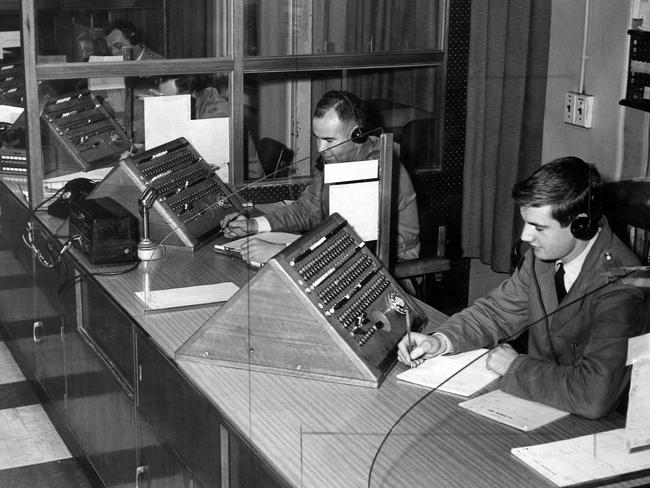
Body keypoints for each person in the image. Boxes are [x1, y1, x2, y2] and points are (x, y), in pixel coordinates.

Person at [397, 157, 645, 419]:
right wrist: (440, 341)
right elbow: (495, 314)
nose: (526, 236)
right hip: (537, 404)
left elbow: (594, 395)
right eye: (526, 223)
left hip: (599, 427)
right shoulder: (542, 256)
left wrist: (516, 366)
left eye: (539, 227)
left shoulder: (624, 286)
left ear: (580, 224)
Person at [219, 90, 420, 266]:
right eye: (318, 138)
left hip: (390, 271)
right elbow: (307, 210)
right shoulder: (335, 160)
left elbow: (354, 247)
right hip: (342, 260)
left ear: (357, 135)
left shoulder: (375, 169)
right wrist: (254, 225)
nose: (321, 149)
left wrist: (282, 252)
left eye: (329, 140)